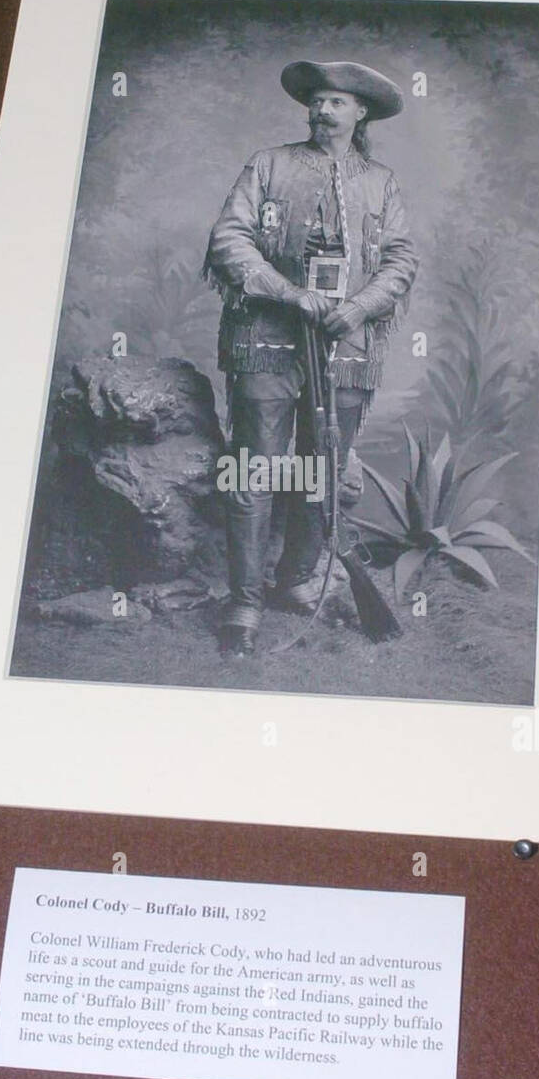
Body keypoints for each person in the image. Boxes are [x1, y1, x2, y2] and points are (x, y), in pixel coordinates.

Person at [203, 60, 419, 656]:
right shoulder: (268, 164)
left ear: (361, 113)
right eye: (318, 101)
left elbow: (400, 259)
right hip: (265, 340)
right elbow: (229, 238)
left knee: (319, 473)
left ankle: (295, 582)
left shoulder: (381, 182)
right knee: (254, 473)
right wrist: (290, 293)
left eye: (337, 102)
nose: (324, 110)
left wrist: (359, 307)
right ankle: (244, 603)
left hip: (347, 347)